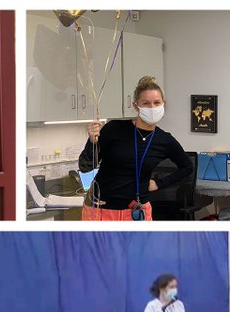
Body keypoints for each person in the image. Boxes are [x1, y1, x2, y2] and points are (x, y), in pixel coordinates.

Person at [80, 75, 192, 220]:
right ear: (135, 106)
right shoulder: (114, 128)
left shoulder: (164, 140)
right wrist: (92, 143)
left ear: (163, 104)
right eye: (146, 103)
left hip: (137, 212)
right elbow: (85, 167)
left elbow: (187, 167)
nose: (152, 108)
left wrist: (159, 183)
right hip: (101, 209)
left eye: (156, 103)